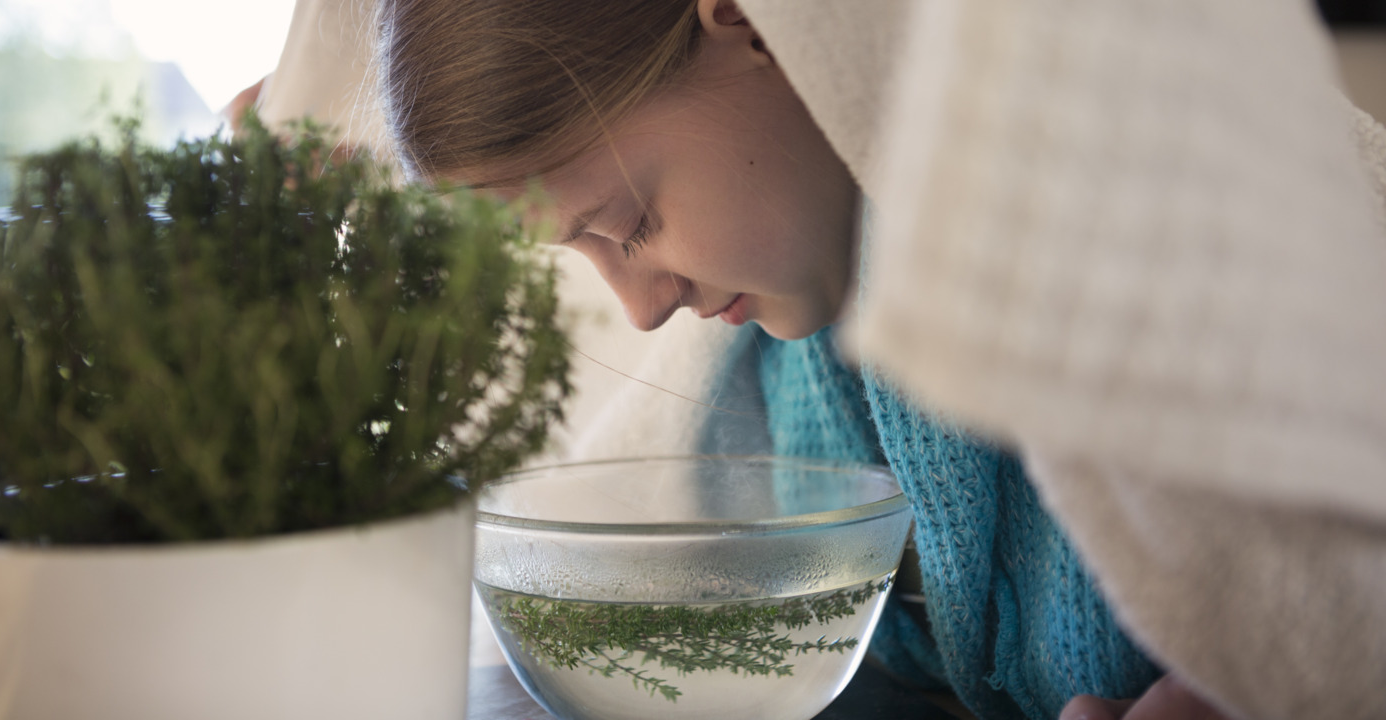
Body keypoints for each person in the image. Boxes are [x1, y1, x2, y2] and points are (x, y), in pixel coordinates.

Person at [375, 1, 1386, 719]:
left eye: (629, 225)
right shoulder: (782, 387)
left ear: (756, 21)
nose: (640, 312)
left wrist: (1254, 681)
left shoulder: (1147, 249)